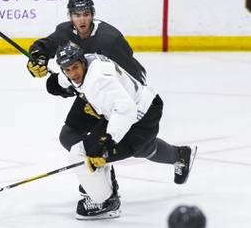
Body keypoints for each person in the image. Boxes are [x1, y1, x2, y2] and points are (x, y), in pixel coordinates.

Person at [26, 0, 149, 215]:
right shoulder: (66, 32)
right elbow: (46, 45)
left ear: (92, 14)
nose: (81, 20)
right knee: (69, 135)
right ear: (70, 16)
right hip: (90, 95)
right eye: (76, 15)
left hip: (115, 97)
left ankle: (105, 194)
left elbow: (134, 75)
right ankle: (100, 174)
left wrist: (109, 108)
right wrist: (37, 57)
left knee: (134, 143)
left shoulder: (109, 39)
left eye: (86, 14)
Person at [52, 41, 197, 220]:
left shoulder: (98, 81)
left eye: (75, 67)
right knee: (135, 149)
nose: (72, 74)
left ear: (82, 61)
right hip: (135, 106)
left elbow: (125, 109)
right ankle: (180, 155)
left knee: (86, 153)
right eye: (67, 70)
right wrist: (55, 82)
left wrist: (108, 141)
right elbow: (67, 76)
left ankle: (106, 202)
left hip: (142, 116)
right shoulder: (87, 62)